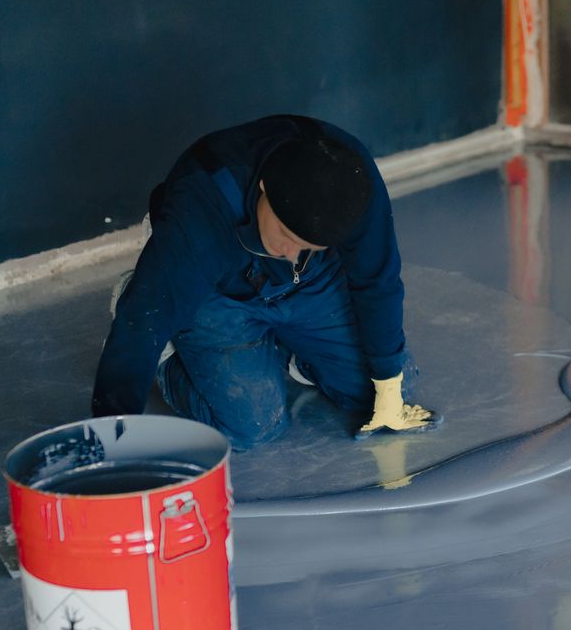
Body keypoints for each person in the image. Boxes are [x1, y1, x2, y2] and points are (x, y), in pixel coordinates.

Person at [92, 114, 437, 448]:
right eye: (286, 234)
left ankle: (298, 354)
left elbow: (377, 282)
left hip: (310, 280)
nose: (291, 253)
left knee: (390, 388)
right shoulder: (200, 209)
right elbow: (143, 322)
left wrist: (389, 388)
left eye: (308, 245)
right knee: (252, 428)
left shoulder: (351, 183)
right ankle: (169, 351)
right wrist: (112, 434)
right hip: (219, 292)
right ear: (263, 187)